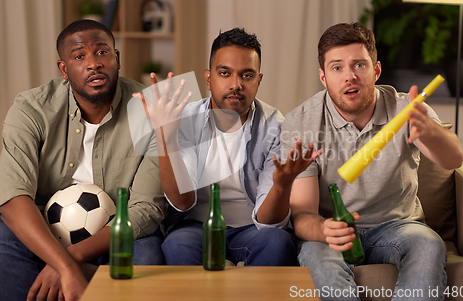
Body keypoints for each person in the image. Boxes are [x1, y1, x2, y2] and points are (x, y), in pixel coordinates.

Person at [280, 22, 463, 301]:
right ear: (323, 76)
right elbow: (302, 214)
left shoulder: (408, 109)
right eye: (337, 67)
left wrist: (432, 133)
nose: (349, 76)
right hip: (334, 231)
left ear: (376, 70)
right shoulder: (301, 122)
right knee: (314, 253)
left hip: (398, 226)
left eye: (359, 65)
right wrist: (322, 229)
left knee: (428, 244)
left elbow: (454, 159)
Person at [0, 20, 167, 301]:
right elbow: (12, 197)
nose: (93, 64)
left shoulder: (151, 109)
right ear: (64, 69)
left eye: (102, 52)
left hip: (116, 228)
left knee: (148, 254)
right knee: (3, 242)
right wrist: (65, 265)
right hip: (44, 227)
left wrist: (68, 260)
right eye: (79, 56)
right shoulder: (31, 108)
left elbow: (146, 208)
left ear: (117, 58)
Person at [135, 27, 321, 266]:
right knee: (176, 244)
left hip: (251, 226)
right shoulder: (184, 120)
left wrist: (281, 186)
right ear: (209, 77)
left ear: (258, 80)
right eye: (225, 73)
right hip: (195, 225)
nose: (236, 84)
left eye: (247, 75)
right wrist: (165, 137)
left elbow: (269, 222)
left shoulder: (276, 126)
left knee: (277, 242)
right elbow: (182, 202)